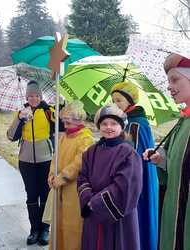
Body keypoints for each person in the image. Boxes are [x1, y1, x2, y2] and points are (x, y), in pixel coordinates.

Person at [77, 103, 142, 250]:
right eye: (104, 124)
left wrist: (96, 202)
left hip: (118, 217)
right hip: (92, 212)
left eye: (113, 123)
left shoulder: (128, 153)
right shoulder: (91, 152)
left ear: (121, 127)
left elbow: (125, 186)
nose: (108, 127)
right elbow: (82, 177)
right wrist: (88, 198)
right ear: (99, 127)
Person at [144, 53, 190, 250]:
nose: (169, 87)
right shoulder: (183, 121)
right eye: (168, 81)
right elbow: (176, 164)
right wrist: (160, 159)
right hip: (175, 210)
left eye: (175, 79)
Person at [111, 82, 159, 250]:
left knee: (137, 218)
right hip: (143, 177)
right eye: (113, 100)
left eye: (119, 100)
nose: (115, 104)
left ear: (130, 101)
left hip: (137, 182)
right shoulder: (132, 120)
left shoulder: (135, 124)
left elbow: (132, 159)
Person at [7, 80, 54, 246]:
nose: (33, 98)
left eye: (36, 95)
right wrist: (20, 119)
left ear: (41, 96)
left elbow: (62, 129)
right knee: (31, 195)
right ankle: (34, 230)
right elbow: (11, 136)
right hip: (26, 162)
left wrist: (60, 109)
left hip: (47, 161)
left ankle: (44, 230)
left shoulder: (50, 112)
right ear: (26, 97)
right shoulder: (22, 112)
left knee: (46, 195)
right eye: (30, 96)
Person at [47, 100, 94, 250]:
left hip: (74, 189)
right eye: (64, 122)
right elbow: (55, 157)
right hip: (59, 187)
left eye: (68, 123)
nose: (65, 126)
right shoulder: (64, 137)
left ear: (78, 120)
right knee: (59, 224)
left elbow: (78, 163)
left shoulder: (86, 138)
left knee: (72, 227)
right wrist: (51, 175)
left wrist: (62, 177)